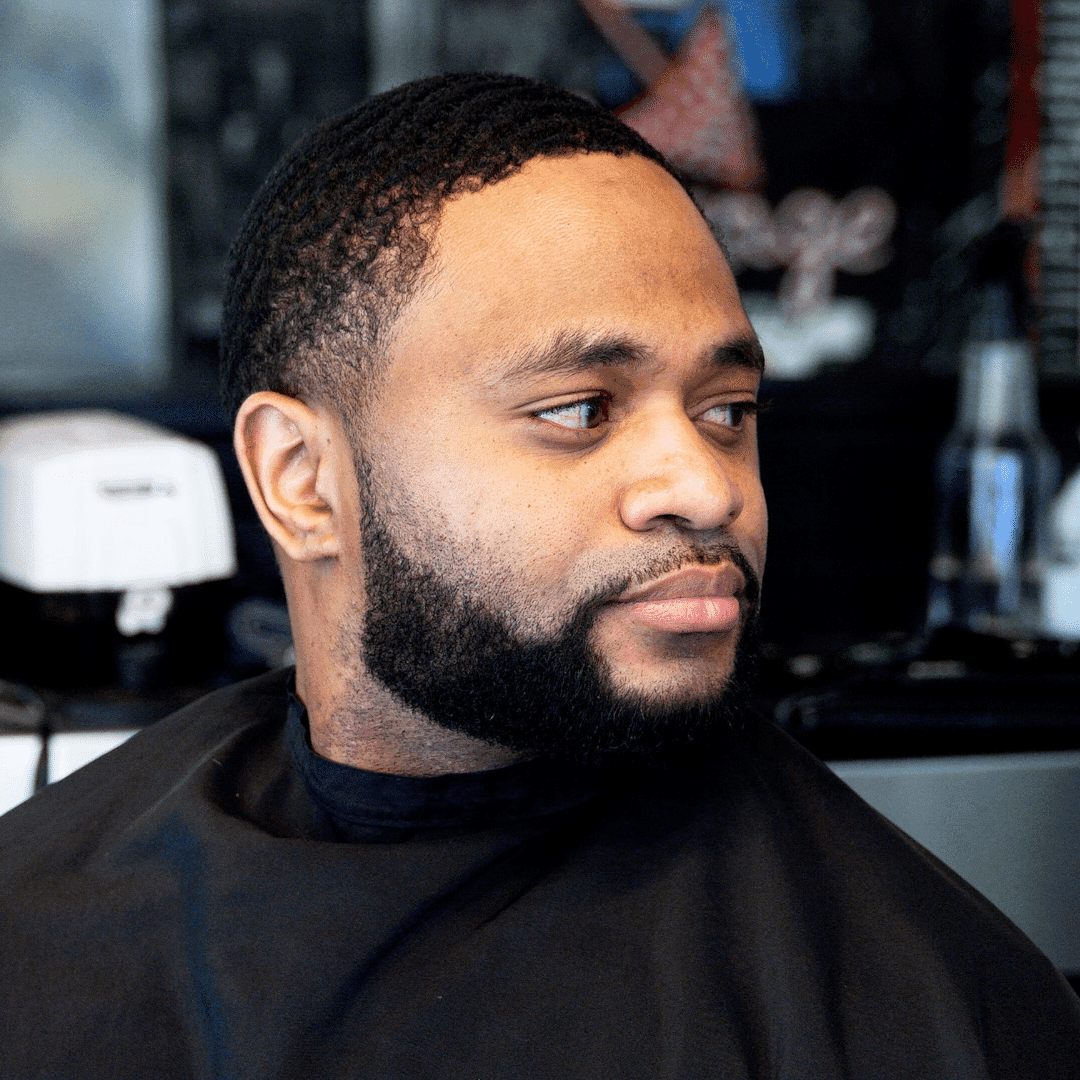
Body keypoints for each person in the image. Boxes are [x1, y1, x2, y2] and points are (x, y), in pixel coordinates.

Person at [1, 73, 1077, 1079]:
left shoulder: (938, 1008)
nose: (705, 488)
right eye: (579, 411)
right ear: (302, 482)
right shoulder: (38, 939)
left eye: (728, 413)